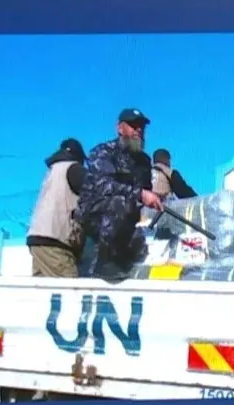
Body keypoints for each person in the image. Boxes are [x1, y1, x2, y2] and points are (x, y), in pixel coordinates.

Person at [77, 108, 162, 281]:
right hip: (95, 214)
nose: (138, 129)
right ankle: (104, 262)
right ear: (120, 128)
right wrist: (140, 194)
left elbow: (146, 192)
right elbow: (103, 186)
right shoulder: (104, 152)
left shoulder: (144, 161)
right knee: (121, 201)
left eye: (141, 126)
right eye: (133, 125)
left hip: (126, 217)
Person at [26, 138, 87, 278]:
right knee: (70, 287)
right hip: (55, 242)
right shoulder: (75, 169)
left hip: (37, 239)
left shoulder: (52, 172)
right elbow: (97, 191)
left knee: (44, 288)